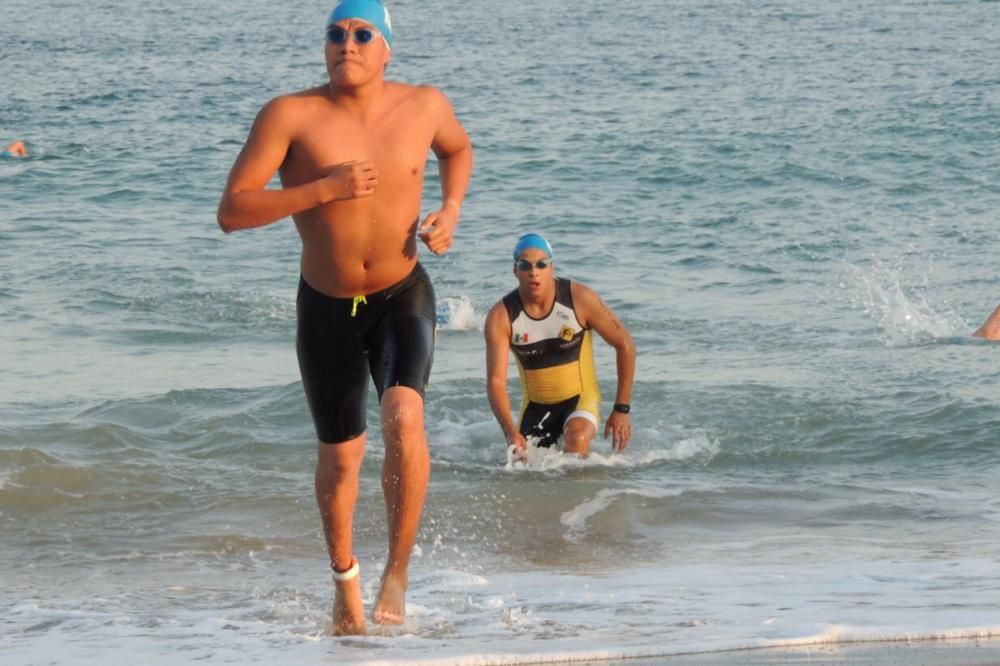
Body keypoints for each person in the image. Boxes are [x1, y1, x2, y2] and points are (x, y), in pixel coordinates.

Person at [216, 0, 473, 636]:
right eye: (335, 34)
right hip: (326, 306)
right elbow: (233, 210)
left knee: (404, 416)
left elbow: (457, 149)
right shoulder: (289, 115)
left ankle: (398, 573)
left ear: (387, 49)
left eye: (362, 34)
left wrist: (450, 210)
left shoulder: (424, 106)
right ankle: (345, 582)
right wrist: (322, 188)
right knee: (341, 459)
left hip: (401, 292)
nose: (346, 44)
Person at [484, 234, 636, 460]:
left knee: (577, 439)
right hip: (536, 408)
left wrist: (621, 408)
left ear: (551, 267)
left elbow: (625, 344)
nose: (534, 272)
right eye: (525, 265)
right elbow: (496, 382)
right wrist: (509, 431)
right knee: (520, 464)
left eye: (541, 264)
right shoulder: (501, 316)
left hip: (580, 397)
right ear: (515, 270)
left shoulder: (579, 298)